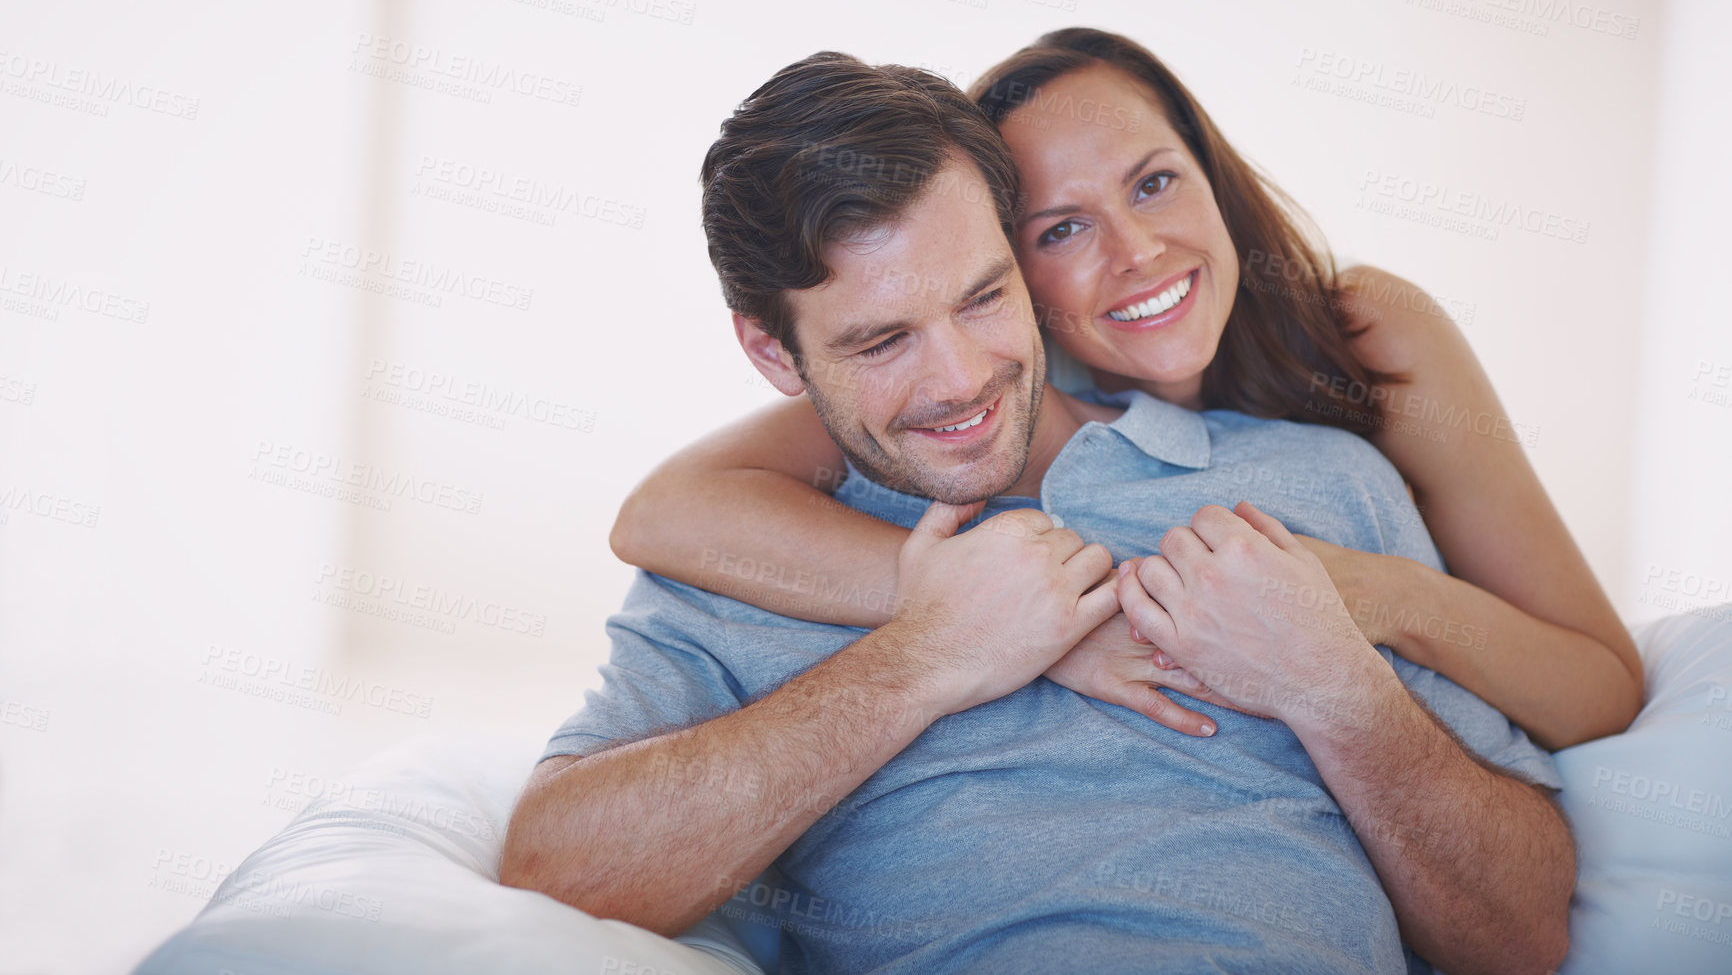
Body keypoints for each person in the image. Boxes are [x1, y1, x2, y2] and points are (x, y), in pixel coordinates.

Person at [501, 53, 1575, 975]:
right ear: (771, 352)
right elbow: (555, 865)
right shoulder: (756, 555)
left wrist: (1335, 687)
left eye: (981, 297)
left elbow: (1521, 932)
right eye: (883, 341)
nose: (962, 379)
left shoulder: (1318, 484)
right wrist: (923, 658)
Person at [610, 27, 1641, 751]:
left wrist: (1381, 594)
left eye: (1153, 182)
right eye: (1061, 228)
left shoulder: (1367, 332)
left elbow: (1599, 688)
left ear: (1210, 172)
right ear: (1005, 269)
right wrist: (982, 614)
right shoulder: (990, 375)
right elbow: (668, 509)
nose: (1139, 251)